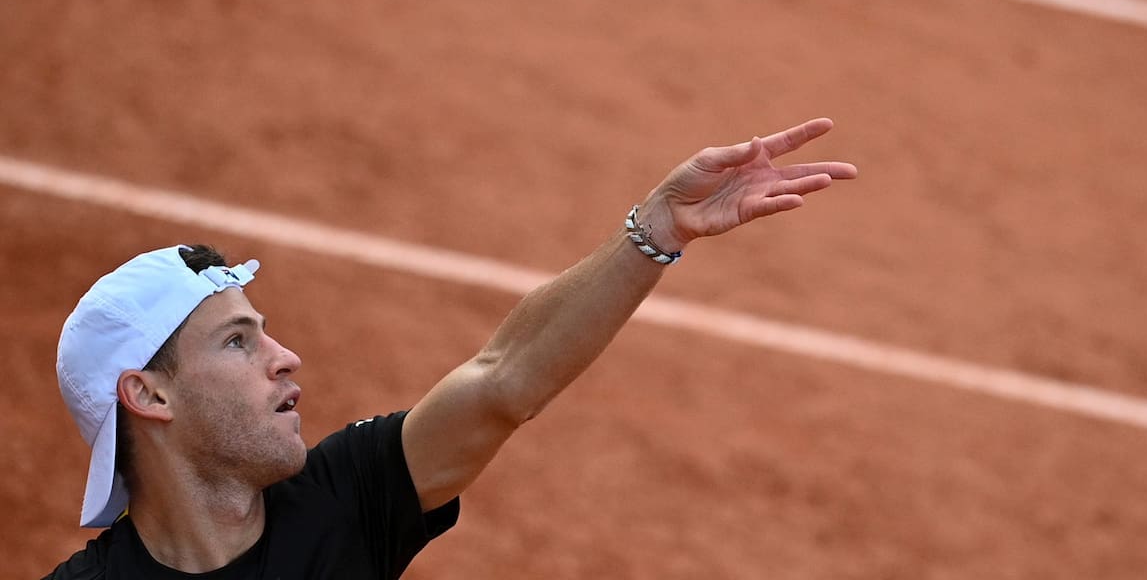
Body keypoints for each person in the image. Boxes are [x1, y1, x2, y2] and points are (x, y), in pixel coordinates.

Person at [45, 118, 857, 579]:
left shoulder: (344, 501)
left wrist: (657, 231)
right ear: (149, 395)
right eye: (236, 340)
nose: (285, 358)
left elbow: (505, 380)